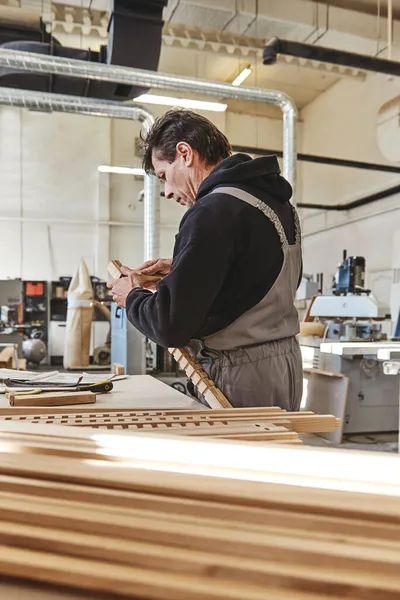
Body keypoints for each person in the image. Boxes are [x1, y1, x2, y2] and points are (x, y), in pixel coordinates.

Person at [108, 109, 303, 410]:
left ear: (184, 153)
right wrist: (185, 268)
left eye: (164, 177)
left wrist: (130, 296)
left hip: (241, 374)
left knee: (236, 457)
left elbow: (170, 326)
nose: (169, 191)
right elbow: (258, 271)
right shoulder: (274, 203)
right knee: (274, 452)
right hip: (285, 364)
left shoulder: (211, 212)